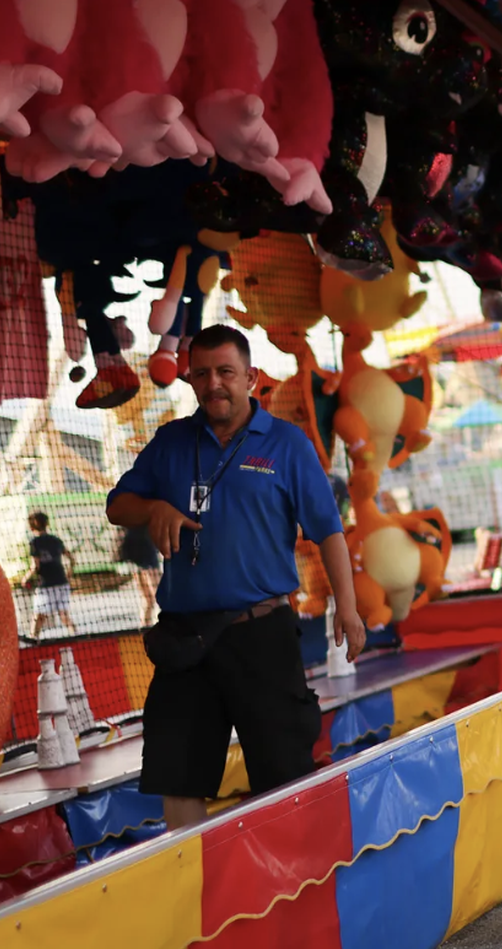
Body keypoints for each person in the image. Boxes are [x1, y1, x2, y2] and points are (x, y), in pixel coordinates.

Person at [106, 325, 366, 830]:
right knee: (177, 779)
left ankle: (296, 883)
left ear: (249, 377)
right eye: (201, 373)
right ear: (190, 380)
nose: (214, 383)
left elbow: (328, 530)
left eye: (225, 371)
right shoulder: (172, 442)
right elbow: (118, 506)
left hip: (261, 633)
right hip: (185, 639)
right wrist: (154, 507)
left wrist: (348, 608)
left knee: (285, 774)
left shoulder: (288, 444)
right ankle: (190, 894)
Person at [24, 512, 76, 638]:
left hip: (46, 585)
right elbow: (72, 559)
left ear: (31, 527)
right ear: (47, 524)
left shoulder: (34, 543)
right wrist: (69, 574)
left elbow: (35, 566)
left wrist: (25, 578)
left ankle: (33, 640)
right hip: (61, 582)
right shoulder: (56, 540)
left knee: (39, 616)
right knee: (63, 615)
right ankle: (76, 637)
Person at [118, 522, 162, 625]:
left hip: (135, 547)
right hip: (142, 547)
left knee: (149, 600)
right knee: (160, 596)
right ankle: (148, 629)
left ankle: (145, 628)